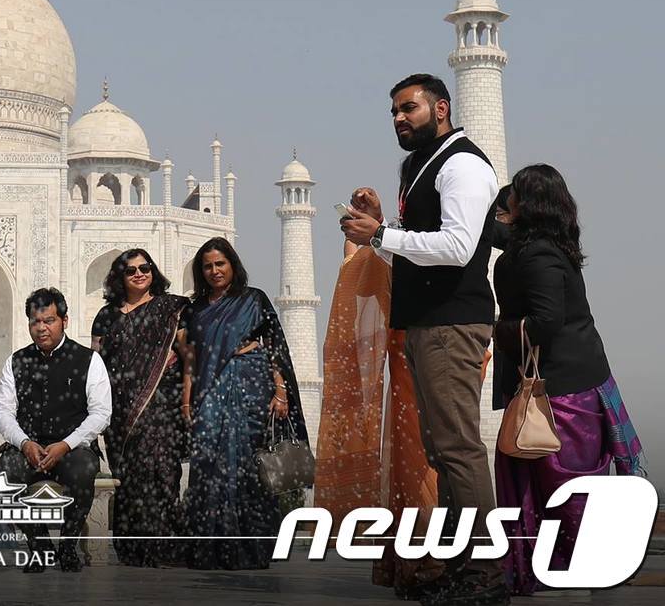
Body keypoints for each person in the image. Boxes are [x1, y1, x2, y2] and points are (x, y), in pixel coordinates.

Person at [341, 73, 509, 606]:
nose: (399, 118)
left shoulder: (463, 164)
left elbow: (458, 247)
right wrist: (381, 226)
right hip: (423, 323)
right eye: (394, 111)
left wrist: (380, 234)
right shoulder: (418, 166)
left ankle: (486, 571)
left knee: (458, 447)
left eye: (408, 108)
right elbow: (414, 248)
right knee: (442, 448)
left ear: (441, 108)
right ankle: (461, 564)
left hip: (452, 322)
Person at [491, 164, 645, 595]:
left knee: (567, 486)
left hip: (562, 390)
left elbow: (546, 320)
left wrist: (497, 330)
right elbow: (490, 233)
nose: (507, 200)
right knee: (552, 481)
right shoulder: (545, 245)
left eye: (515, 195)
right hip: (569, 381)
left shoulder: (537, 254)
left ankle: (591, 563)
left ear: (528, 204)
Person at [315, 240, 444, 595]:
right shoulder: (399, 244)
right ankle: (417, 562)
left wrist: (371, 245)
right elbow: (366, 285)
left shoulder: (435, 240)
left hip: (433, 355)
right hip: (409, 364)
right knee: (410, 465)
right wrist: (363, 250)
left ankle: (436, 561)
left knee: (428, 463)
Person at [182, 236, 307, 571]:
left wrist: (280, 391)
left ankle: (252, 548)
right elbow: (191, 358)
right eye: (207, 266)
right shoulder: (195, 309)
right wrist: (187, 402)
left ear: (232, 265)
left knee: (249, 466)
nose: (214, 271)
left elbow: (274, 345)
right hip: (210, 390)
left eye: (220, 264)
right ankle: (211, 548)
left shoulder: (253, 299)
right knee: (208, 463)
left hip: (251, 386)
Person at [0, 287, 112, 573]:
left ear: (64, 320)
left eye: (49, 320)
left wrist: (66, 444)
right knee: (3, 478)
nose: (41, 328)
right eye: (35, 321)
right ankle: (40, 545)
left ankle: (68, 546)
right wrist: (24, 443)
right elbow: (3, 412)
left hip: (73, 448)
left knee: (83, 470)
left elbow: (101, 413)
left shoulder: (88, 360)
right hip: (29, 447)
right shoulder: (17, 361)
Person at [90, 248, 188, 567]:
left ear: (153, 271)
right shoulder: (107, 316)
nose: (139, 274)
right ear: (119, 277)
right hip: (120, 411)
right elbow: (96, 365)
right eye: (130, 270)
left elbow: (189, 354)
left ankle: (164, 546)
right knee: (129, 478)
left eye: (144, 268)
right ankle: (133, 548)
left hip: (161, 404)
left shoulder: (172, 308)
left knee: (162, 473)